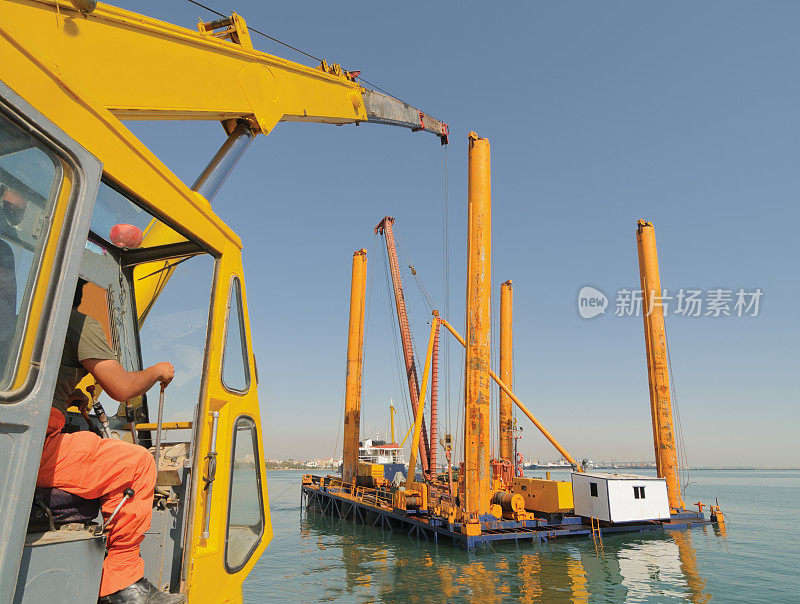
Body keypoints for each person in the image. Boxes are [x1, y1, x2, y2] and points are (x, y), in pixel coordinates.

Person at [36, 278, 186, 604]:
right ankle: (121, 584)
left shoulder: (29, 320)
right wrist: (156, 371)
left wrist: (67, 394)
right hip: (39, 447)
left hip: (31, 437)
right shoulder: (75, 322)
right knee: (135, 463)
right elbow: (121, 387)